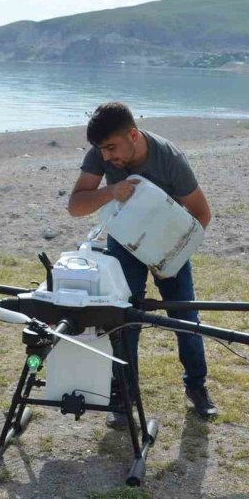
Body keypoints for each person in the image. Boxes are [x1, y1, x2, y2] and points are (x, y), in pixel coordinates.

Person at [67, 101, 217, 426]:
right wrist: (111, 190)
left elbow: (201, 214)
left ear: (133, 135)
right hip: (125, 241)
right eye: (101, 150)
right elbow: (76, 206)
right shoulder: (101, 153)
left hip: (167, 245)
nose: (107, 156)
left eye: (112, 147)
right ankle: (124, 395)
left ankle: (197, 386)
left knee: (185, 318)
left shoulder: (170, 160)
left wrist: (171, 253)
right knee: (123, 319)